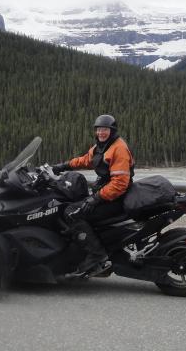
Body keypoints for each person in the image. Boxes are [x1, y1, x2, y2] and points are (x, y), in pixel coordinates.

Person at [51, 114, 135, 277]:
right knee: (77, 204)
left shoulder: (119, 148)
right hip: (105, 192)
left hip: (115, 197)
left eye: (105, 130)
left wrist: (95, 198)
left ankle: (96, 255)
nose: (101, 133)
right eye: (99, 130)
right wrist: (62, 166)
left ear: (112, 131)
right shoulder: (102, 146)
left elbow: (119, 183)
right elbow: (86, 160)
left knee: (71, 213)